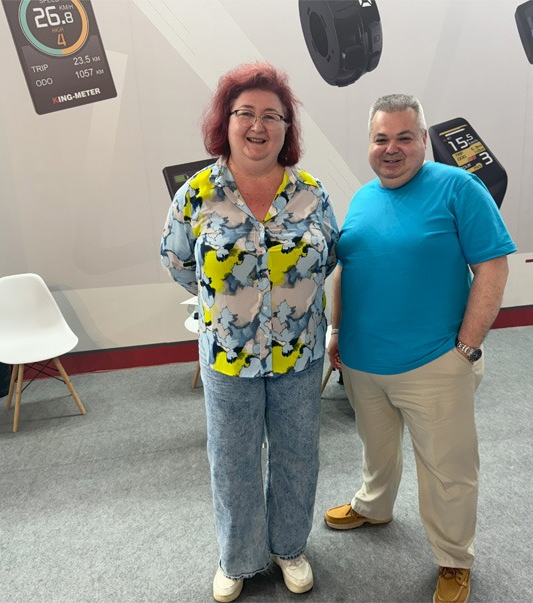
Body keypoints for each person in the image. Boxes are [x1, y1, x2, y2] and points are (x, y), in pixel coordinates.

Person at [324, 94, 516, 603]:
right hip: (363, 363)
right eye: (381, 138)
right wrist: (338, 332)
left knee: (448, 469)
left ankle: (454, 558)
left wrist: (467, 349)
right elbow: (348, 268)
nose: (392, 148)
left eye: (404, 137)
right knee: (376, 449)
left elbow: (493, 267)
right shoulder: (363, 197)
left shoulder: (458, 187)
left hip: (435, 363)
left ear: (423, 141)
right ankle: (373, 506)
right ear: (370, 144)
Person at [160, 62, 339, 603]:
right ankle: (238, 557)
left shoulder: (310, 192)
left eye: (271, 116)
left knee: (296, 453)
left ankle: (289, 548)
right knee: (232, 458)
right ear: (226, 122)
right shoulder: (197, 193)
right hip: (229, 358)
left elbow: (328, 255)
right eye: (245, 113)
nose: (257, 126)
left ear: (287, 128)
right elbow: (177, 261)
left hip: (300, 353)